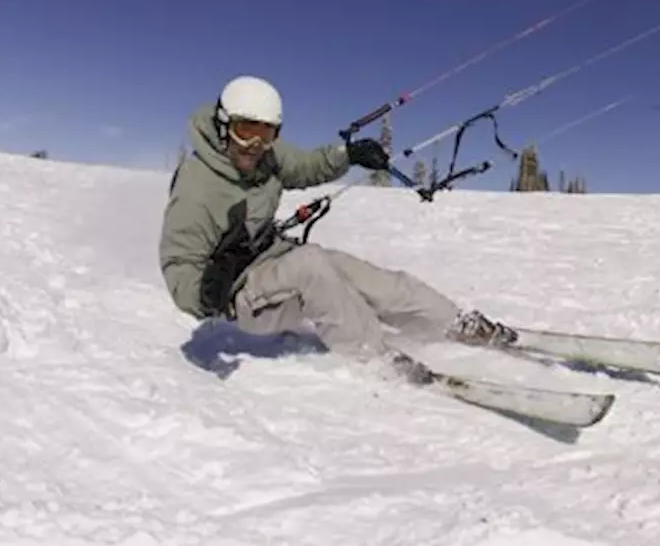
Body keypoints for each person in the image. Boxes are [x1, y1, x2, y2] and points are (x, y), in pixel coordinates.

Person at [158, 75, 517, 379]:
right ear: (223, 126)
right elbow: (179, 270)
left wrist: (349, 155)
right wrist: (206, 293)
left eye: (266, 134)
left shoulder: (267, 157)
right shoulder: (197, 188)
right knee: (312, 264)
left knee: (355, 272)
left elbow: (308, 166)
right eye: (245, 130)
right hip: (240, 297)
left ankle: (452, 322)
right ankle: (375, 358)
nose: (255, 144)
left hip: (270, 260)